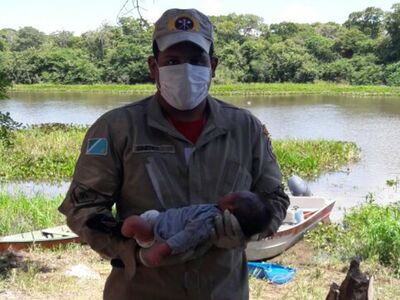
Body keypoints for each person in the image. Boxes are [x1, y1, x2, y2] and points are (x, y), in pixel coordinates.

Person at [58, 8, 290, 300]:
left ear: (213, 66)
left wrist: (248, 230)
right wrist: (136, 251)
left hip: (223, 290)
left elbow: (276, 199)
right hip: (141, 291)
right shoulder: (116, 128)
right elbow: (83, 209)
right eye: (173, 61)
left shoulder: (245, 128)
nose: (185, 70)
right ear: (154, 67)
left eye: (196, 60)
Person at [121, 191, 271, 267]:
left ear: (230, 208)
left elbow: (187, 236)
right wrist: (133, 256)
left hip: (158, 233)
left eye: (232, 195)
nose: (228, 192)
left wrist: (161, 250)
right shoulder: (214, 210)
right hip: (159, 221)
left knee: (131, 224)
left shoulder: (208, 220)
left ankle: (124, 234)